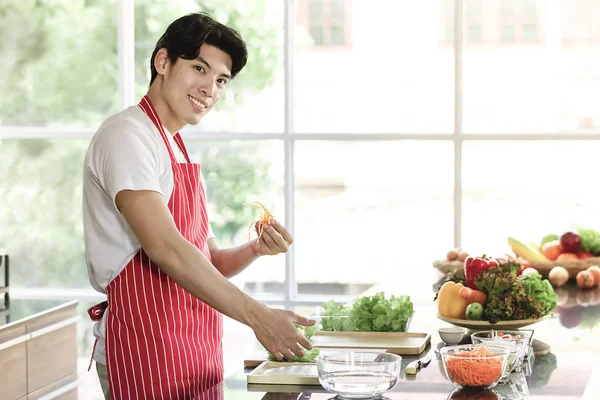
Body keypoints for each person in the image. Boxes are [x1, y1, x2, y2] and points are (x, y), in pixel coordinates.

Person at [82, 12, 315, 400]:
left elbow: (206, 260)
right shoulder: (127, 136)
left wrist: (255, 249)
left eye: (221, 80)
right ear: (163, 62)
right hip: (147, 347)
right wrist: (259, 317)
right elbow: (166, 247)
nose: (210, 88)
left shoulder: (177, 147)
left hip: (197, 350)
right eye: (199, 68)